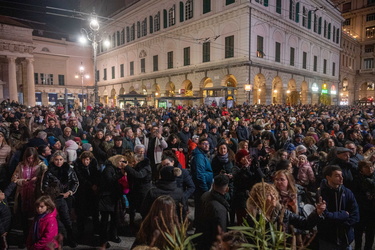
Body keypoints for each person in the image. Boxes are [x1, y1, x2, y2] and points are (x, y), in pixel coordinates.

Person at [246, 182, 326, 244]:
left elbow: (305, 223)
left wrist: (317, 212)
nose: (274, 197)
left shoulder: (282, 212)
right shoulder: (253, 217)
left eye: (274, 194)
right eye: (268, 195)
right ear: (260, 199)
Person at [317, 165, 360, 250]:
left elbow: (355, 214)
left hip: (345, 237)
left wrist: (344, 224)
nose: (341, 178)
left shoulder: (347, 192)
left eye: (341, 175)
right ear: (328, 177)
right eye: (337, 175)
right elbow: (324, 216)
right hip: (328, 239)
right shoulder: (321, 193)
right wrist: (344, 215)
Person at [42, 151, 78, 248]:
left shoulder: (69, 170)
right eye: (56, 159)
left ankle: (70, 239)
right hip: (54, 199)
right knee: (56, 220)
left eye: (61, 159)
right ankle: (58, 241)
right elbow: (44, 187)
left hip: (67, 197)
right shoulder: (49, 171)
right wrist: (54, 193)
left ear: (64, 160)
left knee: (67, 219)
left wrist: (70, 192)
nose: (58, 162)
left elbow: (75, 182)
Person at [12, 147, 47, 247]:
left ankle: (35, 238)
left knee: (35, 218)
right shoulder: (20, 165)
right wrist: (22, 181)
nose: (30, 160)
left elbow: (47, 174)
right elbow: (14, 179)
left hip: (35, 194)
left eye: (32, 158)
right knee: (24, 217)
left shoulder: (41, 165)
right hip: (23, 194)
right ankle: (25, 238)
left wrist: (38, 178)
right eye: (28, 158)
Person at [98, 155, 127, 248]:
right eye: (120, 161)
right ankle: (103, 240)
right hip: (106, 197)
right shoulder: (109, 169)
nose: (122, 163)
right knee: (105, 220)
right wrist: (121, 174)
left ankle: (113, 235)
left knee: (115, 218)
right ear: (115, 161)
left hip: (115, 197)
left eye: (123, 162)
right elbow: (109, 181)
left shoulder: (118, 170)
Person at [195, 174, 230, 250]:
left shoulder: (205, 195)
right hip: (211, 242)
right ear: (227, 189)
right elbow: (221, 230)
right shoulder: (220, 208)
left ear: (213, 185)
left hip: (201, 237)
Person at [74, 151, 101, 238]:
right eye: (85, 160)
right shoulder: (78, 167)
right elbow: (80, 178)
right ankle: (80, 231)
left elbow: (97, 176)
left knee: (95, 212)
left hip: (93, 193)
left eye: (88, 160)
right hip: (82, 192)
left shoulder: (93, 167)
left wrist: (96, 185)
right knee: (81, 213)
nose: (86, 162)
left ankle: (96, 229)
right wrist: (91, 185)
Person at [352, 160, 375, 250]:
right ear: (361, 169)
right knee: (358, 232)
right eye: (366, 167)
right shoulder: (357, 179)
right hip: (361, 209)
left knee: (371, 232)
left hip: (372, 210)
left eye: (371, 166)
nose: (370, 169)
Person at [190, 138, 213, 221]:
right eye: (204, 143)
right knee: (201, 207)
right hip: (201, 187)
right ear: (199, 145)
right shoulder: (199, 156)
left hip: (204, 185)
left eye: (207, 143)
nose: (206, 145)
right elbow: (199, 174)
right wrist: (204, 189)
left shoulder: (203, 154)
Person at [0, 178, 17, 250]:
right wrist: (2, 231)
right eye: (0, 193)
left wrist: (14, 183)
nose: (3, 193)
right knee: (3, 244)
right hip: (2, 229)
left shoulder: (3, 200)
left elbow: (8, 191)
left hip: (7, 225)